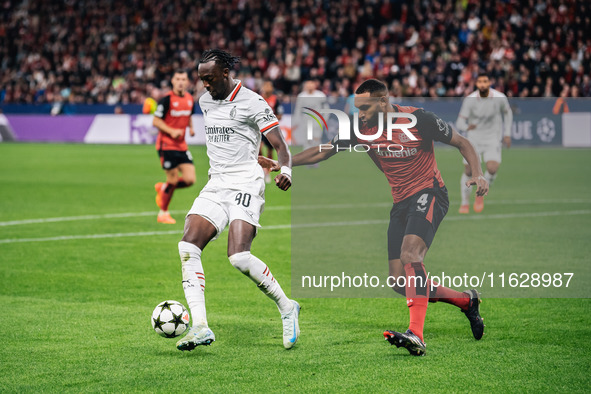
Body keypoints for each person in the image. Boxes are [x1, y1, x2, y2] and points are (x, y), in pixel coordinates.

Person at [260, 79, 487, 356]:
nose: (360, 113)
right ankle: (466, 301)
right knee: (398, 282)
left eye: (365, 107)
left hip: (431, 192)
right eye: (358, 108)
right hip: (401, 202)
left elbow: (462, 142)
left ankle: (417, 334)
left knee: (411, 256)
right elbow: (325, 150)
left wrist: (477, 173)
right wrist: (286, 162)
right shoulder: (361, 128)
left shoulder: (418, 119)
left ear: (383, 102)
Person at [175, 49, 300, 351]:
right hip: (216, 184)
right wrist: (252, 156)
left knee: (238, 257)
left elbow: (281, 146)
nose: (204, 85)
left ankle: (287, 307)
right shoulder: (205, 102)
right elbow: (230, 143)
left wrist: (285, 170)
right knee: (188, 246)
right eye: (201, 79)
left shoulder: (253, 102)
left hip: (246, 183)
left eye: (210, 79)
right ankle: (200, 326)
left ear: (226, 73)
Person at [456, 72, 513, 214]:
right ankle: (464, 203)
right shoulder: (469, 100)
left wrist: (507, 134)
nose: (483, 84)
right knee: (469, 171)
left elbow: (508, 113)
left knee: (492, 169)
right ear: (476, 84)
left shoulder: (500, 98)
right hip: (474, 139)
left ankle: (479, 193)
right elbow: (460, 122)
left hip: (492, 138)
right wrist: (466, 127)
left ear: (490, 82)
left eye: (485, 81)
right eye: (480, 81)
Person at [152, 70, 196, 224]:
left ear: (187, 82)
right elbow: (156, 121)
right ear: (172, 81)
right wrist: (172, 131)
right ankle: (163, 212)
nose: (181, 82)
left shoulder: (190, 99)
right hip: (167, 144)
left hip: (181, 145)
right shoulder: (166, 100)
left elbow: (188, 115)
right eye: (178, 79)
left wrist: (190, 128)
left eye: (183, 79)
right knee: (172, 179)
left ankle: (163, 188)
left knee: (190, 179)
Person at [259, 80, 284, 183]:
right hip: (259, 128)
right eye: (265, 86)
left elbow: (280, 115)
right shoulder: (259, 99)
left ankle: (268, 172)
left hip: (270, 128)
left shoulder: (275, 99)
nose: (267, 88)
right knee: (258, 148)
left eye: (268, 86)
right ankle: (261, 169)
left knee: (269, 151)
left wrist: (270, 117)